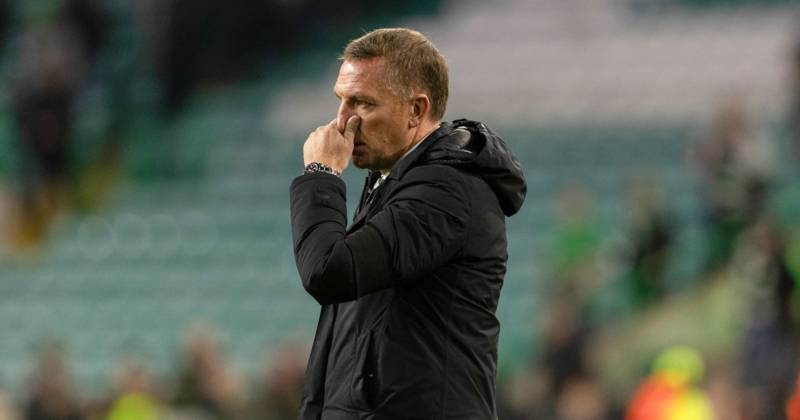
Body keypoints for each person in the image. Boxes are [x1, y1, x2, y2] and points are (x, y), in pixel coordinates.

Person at [289, 28, 526, 419]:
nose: (343, 121)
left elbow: (329, 272)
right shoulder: (392, 181)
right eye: (341, 100)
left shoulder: (446, 191)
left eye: (363, 103)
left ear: (416, 110)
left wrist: (321, 174)